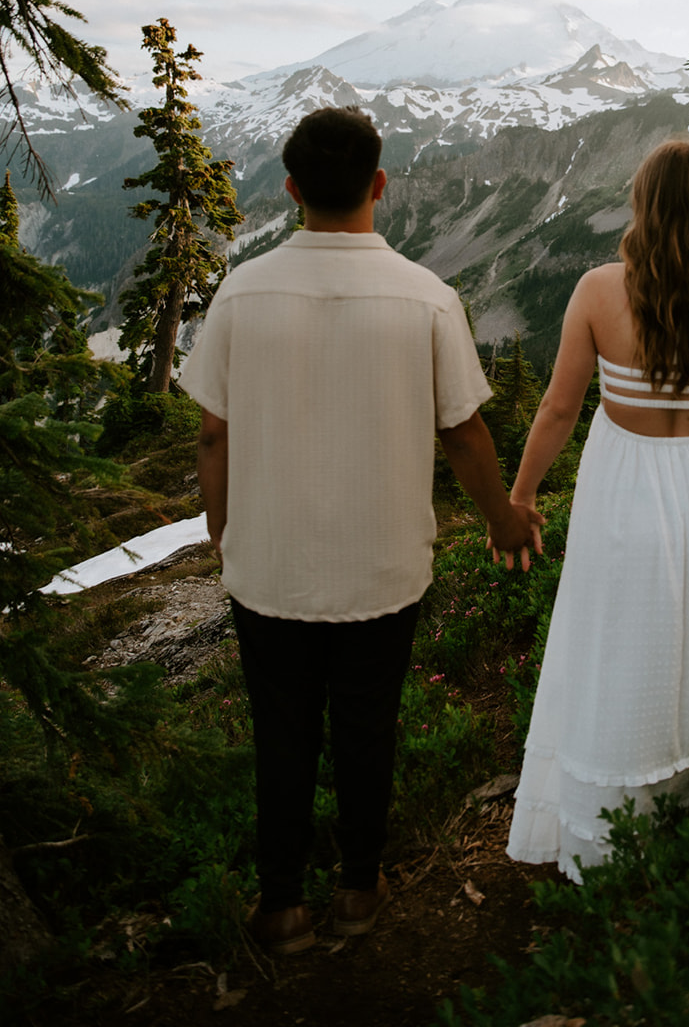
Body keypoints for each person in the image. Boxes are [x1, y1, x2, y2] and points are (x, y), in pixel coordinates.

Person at [181, 105, 542, 956]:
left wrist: (224, 532)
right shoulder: (426, 296)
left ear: (291, 189)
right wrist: (504, 517)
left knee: (282, 729)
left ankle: (280, 905)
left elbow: (211, 431)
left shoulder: (243, 290)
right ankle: (357, 889)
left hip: (268, 565)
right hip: (382, 565)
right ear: (380, 186)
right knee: (366, 724)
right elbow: (462, 433)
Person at [504, 138, 689, 881]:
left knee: (617, 642)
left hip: (625, 485)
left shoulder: (599, 290)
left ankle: (614, 827)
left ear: (643, 206)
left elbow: (560, 407)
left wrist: (521, 494)